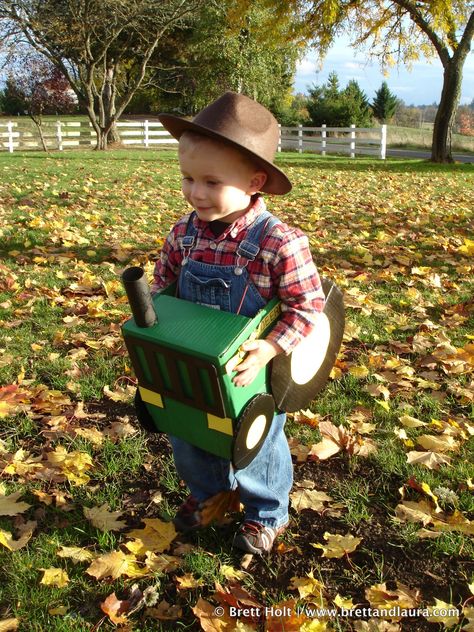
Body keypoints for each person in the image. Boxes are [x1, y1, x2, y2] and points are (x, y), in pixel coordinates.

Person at [144, 91, 325, 554]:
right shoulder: (183, 233)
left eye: (210, 181)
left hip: (252, 371)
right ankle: (211, 495)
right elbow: (163, 286)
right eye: (187, 178)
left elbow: (308, 306)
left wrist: (271, 347)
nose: (195, 193)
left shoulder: (280, 242)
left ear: (254, 181)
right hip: (194, 363)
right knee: (190, 433)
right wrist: (151, 317)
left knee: (257, 444)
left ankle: (265, 513)